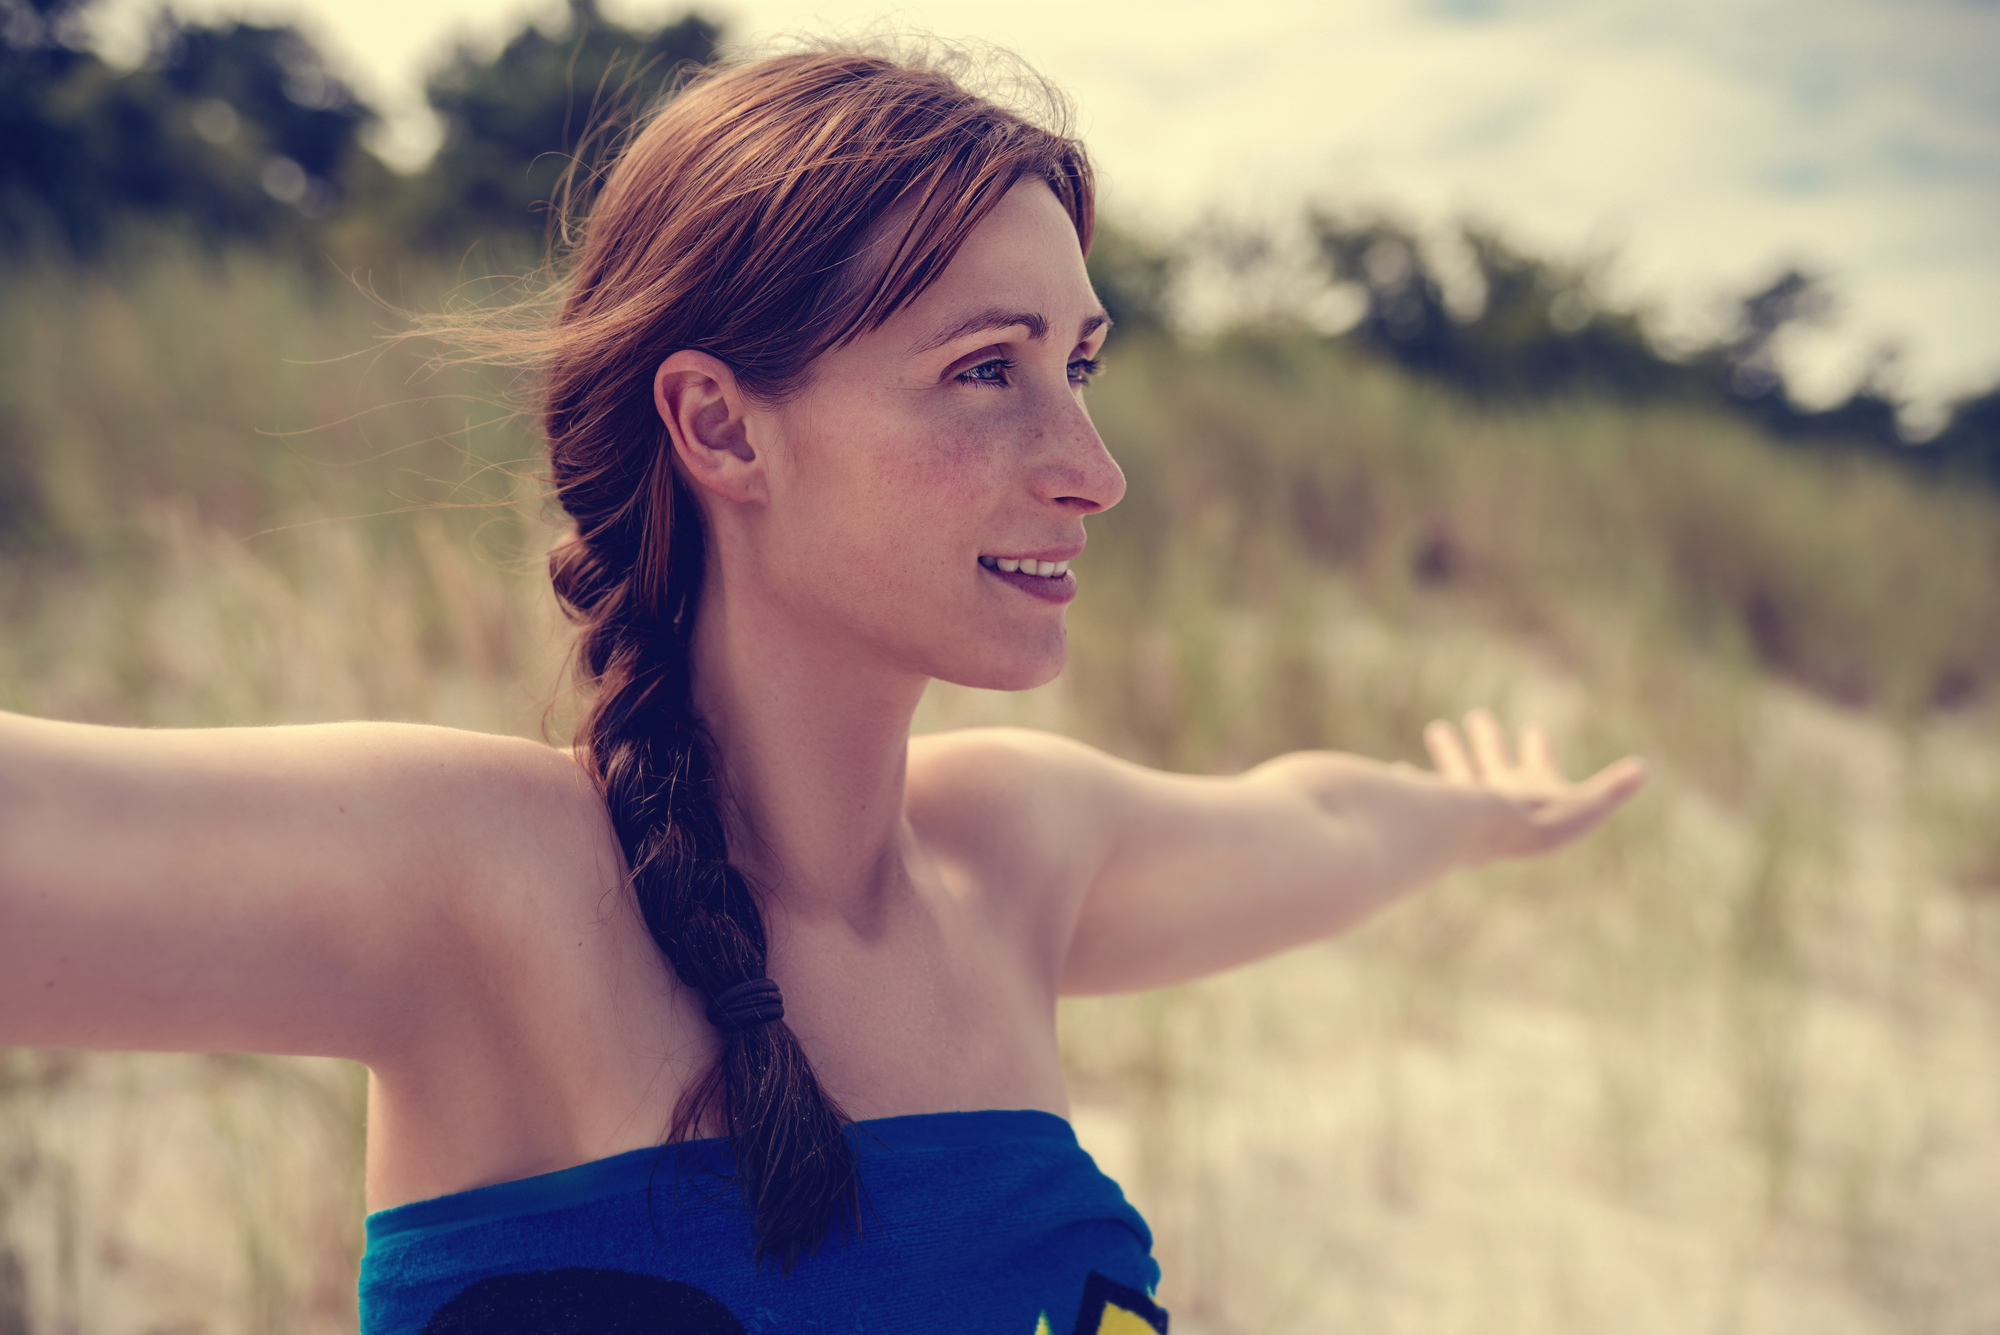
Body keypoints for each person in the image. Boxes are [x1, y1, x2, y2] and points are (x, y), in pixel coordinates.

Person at [0, 44, 1646, 1335]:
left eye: (1077, 365)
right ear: (720, 427)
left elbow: (1324, 825)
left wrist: (1474, 818)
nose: (1092, 469)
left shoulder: (1018, 858)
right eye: (983, 371)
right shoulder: (485, 884)